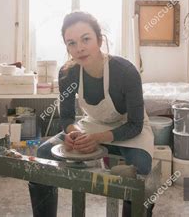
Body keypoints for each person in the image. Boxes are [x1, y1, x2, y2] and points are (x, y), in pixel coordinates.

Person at [29, 11, 154, 217]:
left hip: (128, 126)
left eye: (85, 39)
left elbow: (135, 124)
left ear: (99, 38)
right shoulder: (67, 73)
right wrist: (73, 134)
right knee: (43, 153)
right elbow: (68, 118)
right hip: (93, 124)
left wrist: (97, 139)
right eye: (71, 43)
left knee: (140, 167)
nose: (79, 48)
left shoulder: (125, 71)